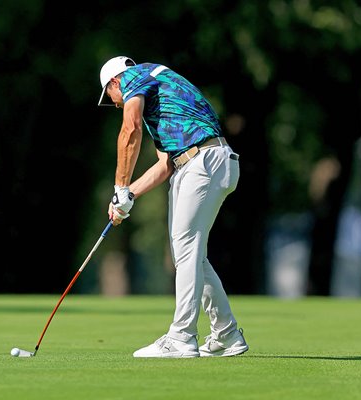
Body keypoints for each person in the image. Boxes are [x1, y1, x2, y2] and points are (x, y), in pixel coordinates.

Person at [98, 56, 248, 358]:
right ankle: (227, 334)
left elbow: (130, 129)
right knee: (191, 255)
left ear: (115, 82)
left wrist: (120, 187)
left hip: (202, 163)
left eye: (111, 97)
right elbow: (165, 164)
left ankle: (182, 337)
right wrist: (126, 198)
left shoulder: (134, 77)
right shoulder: (162, 93)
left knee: (187, 250)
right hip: (209, 161)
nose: (115, 104)